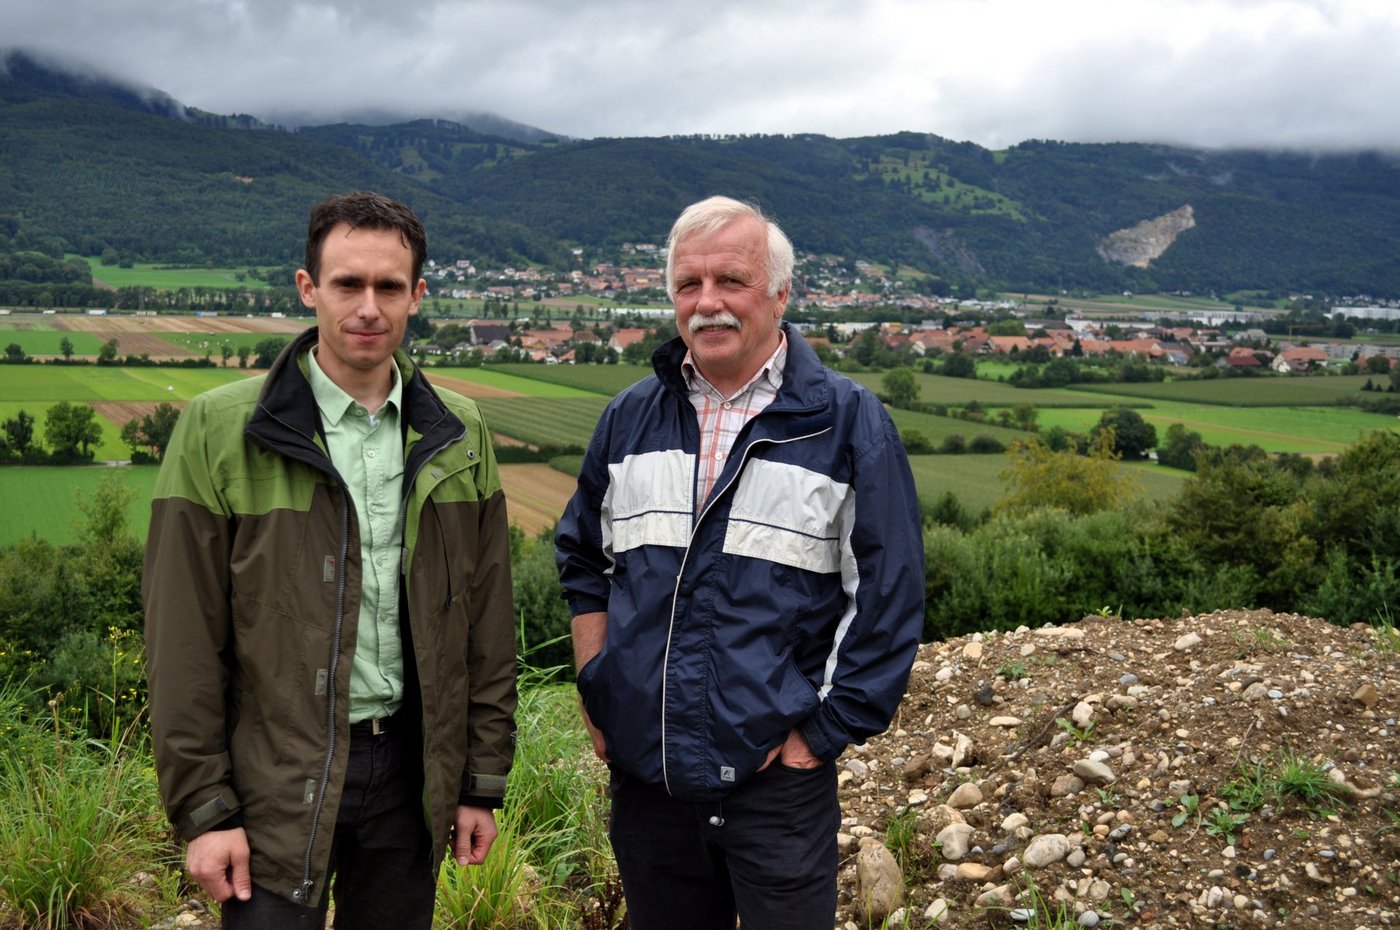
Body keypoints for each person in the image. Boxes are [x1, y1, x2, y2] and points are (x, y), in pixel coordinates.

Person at [143, 191, 517, 929]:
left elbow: (487, 623)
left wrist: (481, 780)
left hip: (410, 779)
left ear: (417, 295)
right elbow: (181, 638)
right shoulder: (222, 430)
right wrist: (206, 807)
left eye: (389, 287)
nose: (368, 307)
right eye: (348, 284)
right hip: (275, 779)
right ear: (308, 288)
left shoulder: (459, 434)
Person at [555, 195, 925, 929]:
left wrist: (817, 739)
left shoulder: (848, 424)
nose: (708, 303)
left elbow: (889, 596)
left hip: (775, 789)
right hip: (647, 782)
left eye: (732, 280)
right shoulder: (629, 418)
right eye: (688, 285)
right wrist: (600, 691)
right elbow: (583, 561)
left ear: (781, 292)